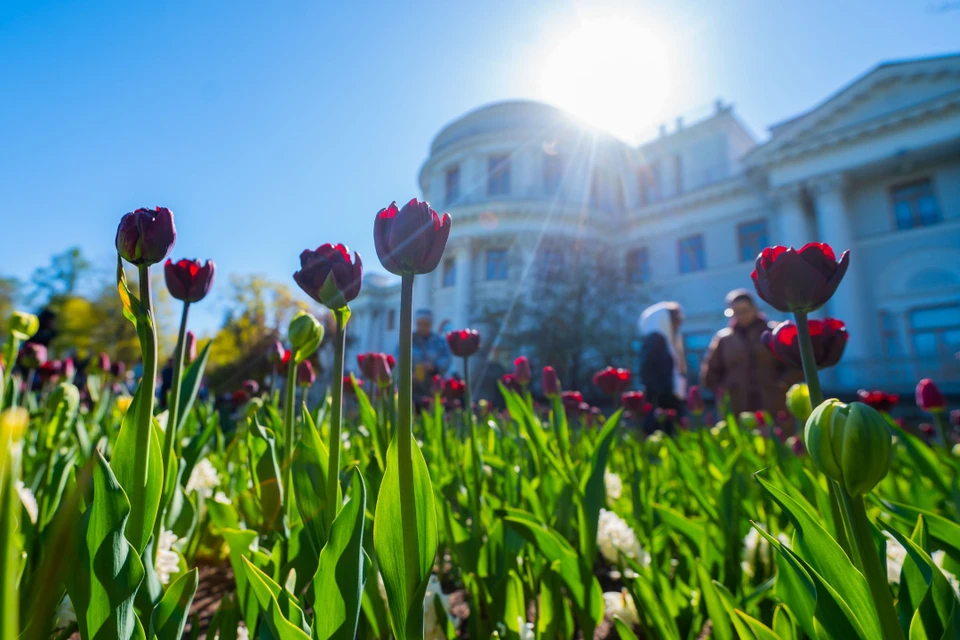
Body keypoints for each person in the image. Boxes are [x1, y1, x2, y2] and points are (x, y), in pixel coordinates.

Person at [700, 289, 802, 416]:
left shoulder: (775, 332)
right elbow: (710, 373)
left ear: (754, 308)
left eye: (745, 310)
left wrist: (783, 383)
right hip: (738, 406)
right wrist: (725, 391)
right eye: (736, 312)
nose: (741, 315)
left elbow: (797, 365)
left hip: (774, 404)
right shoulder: (724, 339)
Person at [638, 302, 686, 431]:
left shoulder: (669, 340)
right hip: (661, 401)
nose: (679, 324)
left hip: (668, 399)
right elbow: (649, 372)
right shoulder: (655, 340)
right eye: (676, 319)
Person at [405, 309, 451, 401]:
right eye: (419, 324)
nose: (422, 327)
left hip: (434, 388)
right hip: (413, 389)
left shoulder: (439, 341)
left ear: (431, 325)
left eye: (425, 324)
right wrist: (408, 376)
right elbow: (399, 359)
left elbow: (447, 358)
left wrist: (434, 366)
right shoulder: (408, 340)